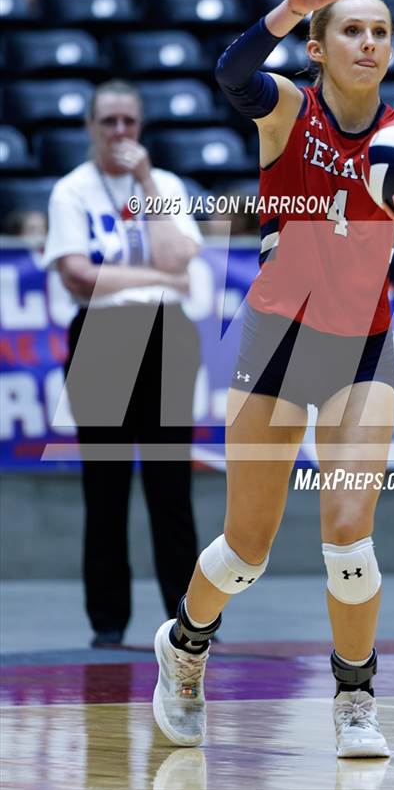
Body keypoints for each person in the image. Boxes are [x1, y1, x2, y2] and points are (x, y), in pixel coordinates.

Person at [151, 0, 394, 756]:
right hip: (277, 340)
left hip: (362, 345)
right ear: (318, 48)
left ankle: (355, 697)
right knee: (245, 550)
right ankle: (185, 645)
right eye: (352, 30)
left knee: (349, 541)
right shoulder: (289, 108)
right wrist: (290, 10)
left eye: (381, 31)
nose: (369, 43)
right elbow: (230, 73)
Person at [43, 79, 202, 647]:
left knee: (171, 486)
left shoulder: (167, 185)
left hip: (166, 334)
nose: (119, 131)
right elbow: (78, 276)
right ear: (90, 126)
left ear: (141, 127)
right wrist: (158, 277)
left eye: (128, 121)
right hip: (101, 335)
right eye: (108, 121)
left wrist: (146, 182)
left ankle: (188, 622)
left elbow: (180, 257)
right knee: (105, 487)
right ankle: (108, 625)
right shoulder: (72, 190)